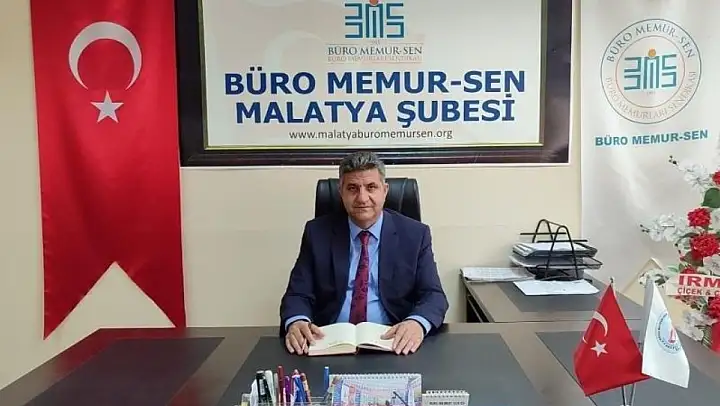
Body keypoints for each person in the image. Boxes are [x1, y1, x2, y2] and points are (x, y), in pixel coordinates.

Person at [279, 151, 449, 355]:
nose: (362, 198)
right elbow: (298, 293)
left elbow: (433, 295)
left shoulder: (415, 235)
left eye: (371, 187)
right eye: (352, 188)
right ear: (340, 192)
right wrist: (297, 320)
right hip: (330, 343)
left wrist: (416, 323)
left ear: (385, 190)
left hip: (392, 343)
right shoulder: (317, 233)